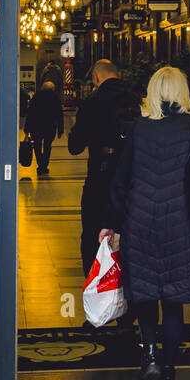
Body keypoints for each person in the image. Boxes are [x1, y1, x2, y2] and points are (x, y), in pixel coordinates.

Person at [100, 65, 190, 380]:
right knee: (173, 301)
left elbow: (120, 180)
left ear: (152, 93)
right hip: (181, 224)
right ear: (182, 91)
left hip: (140, 222)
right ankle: (168, 379)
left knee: (145, 295)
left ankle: (149, 356)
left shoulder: (136, 130)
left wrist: (110, 222)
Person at [67, 58, 140, 273]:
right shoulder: (136, 100)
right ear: (118, 75)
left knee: (92, 235)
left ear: (96, 78)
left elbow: (74, 146)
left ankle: (96, 285)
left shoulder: (92, 103)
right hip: (132, 184)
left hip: (100, 181)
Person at [23, 79, 64, 176]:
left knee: (37, 146)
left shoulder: (36, 97)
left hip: (36, 127)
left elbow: (30, 113)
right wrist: (60, 129)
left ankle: (40, 164)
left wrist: (26, 128)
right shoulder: (55, 98)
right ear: (52, 89)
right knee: (47, 146)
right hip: (50, 127)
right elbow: (59, 115)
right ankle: (44, 166)